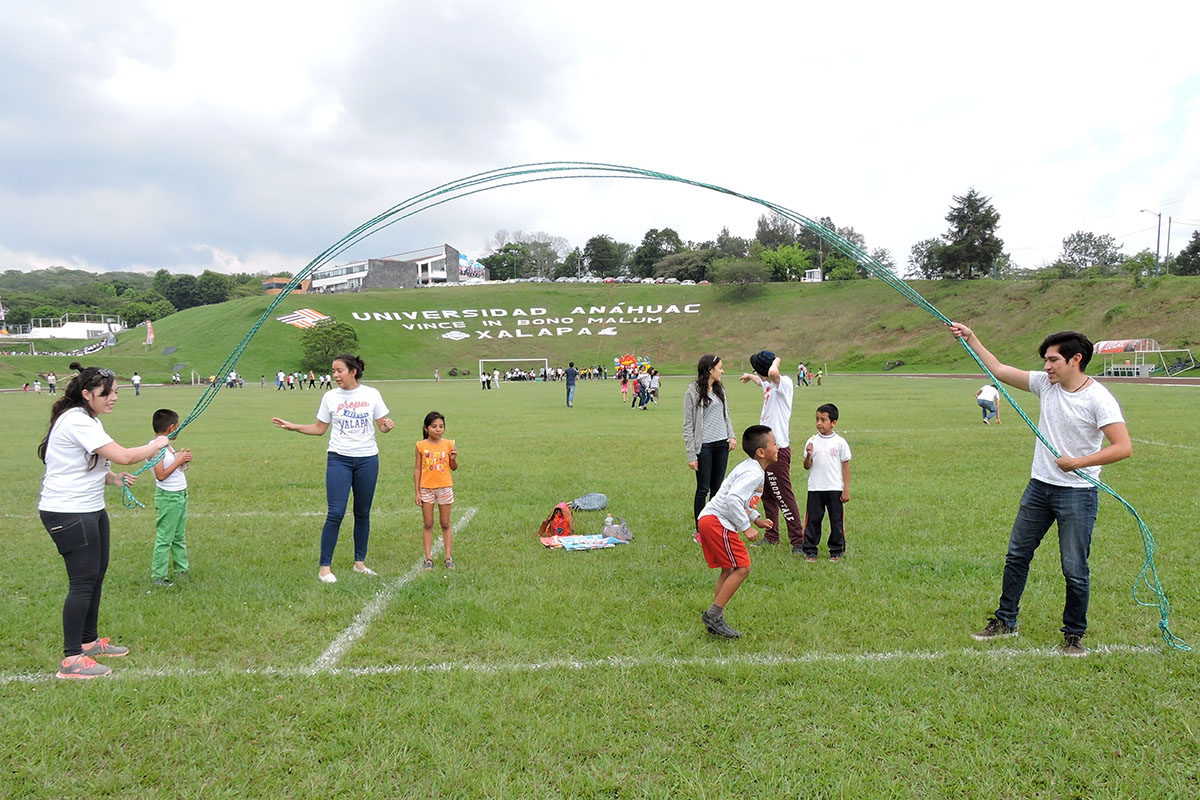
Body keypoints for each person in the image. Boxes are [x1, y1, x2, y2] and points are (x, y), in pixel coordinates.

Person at [949, 324, 1131, 657]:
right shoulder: (1047, 385)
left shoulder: (1098, 398)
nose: (1046, 367)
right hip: (1039, 488)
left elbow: (1123, 447)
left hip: (1077, 493)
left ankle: (1074, 635)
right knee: (1017, 556)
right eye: (1045, 361)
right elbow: (1000, 370)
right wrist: (971, 337)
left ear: (1075, 360)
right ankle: (1006, 622)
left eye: (1052, 360)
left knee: (1074, 568)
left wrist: (1079, 462)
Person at [37, 362, 171, 679]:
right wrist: (157, 443)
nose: (113, 398)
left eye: (115, 392)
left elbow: (86, 464)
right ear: (86, 394)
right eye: (106, 393)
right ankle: (71, 660)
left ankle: (88, 642)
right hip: (68, 511)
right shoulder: (77, 421)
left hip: (89, 508)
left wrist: (112, 479)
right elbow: (123, 453)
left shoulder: (87, 419)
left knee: (95, 576)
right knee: (82, 583)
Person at [272, 354, 395, 584]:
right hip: (339, 459)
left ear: (353, 372)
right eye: (334, 371)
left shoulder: (372, 394)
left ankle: (360, 563)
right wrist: (294, 427)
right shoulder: (330, 396)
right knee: (336, 512)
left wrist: (388, 425)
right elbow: (319, 429)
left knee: (362, 513)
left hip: (368, 459)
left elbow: (382, 425)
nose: (335, 375)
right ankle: (324, 568)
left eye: (339, 371)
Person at [697, 425, 777, 638]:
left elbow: (740, 500)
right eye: (774, 444)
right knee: (743, 568)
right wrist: (746, 527)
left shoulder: (752, 468)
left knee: (729, 569)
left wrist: (756, 519)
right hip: (718, 522)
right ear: (761, 452)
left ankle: (716, 616)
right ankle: (713, 615)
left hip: (709, 520)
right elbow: (732, 499)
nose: (778, 447)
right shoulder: (753, 473)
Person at [740, 351, 803, 551]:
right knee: (766, 493)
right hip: (763, 449)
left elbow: (774, 373)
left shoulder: (783, 383)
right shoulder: (769, 384)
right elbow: (763, 381)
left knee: (783, 495)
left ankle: (798, 540)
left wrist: (775, 361)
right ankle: (772, 535)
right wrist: (752, 377)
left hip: (777, 449)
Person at [683, 355, 736, 536]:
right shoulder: (693, 391)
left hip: (722, 445)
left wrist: (731, 436)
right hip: (704, 447)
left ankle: (714, 526)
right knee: (703, 489)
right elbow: (688, 424)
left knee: (718, 489)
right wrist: (691, 454)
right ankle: (700, 530)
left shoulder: (720, 389)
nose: (722, 371)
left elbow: (726, 414)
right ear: (710, 370)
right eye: (720, 368)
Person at [801, 403, 852, 562]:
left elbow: (846, 466)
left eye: (823, 420)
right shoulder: (812, 440)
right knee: (813, 521)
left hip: (834, 488)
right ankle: (810, 551)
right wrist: (808, 455)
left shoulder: (840, 442)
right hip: (815, 488)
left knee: (836, 521)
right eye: (817, 419)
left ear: (833, 422)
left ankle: (836, 550)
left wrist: (846, 489)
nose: (819, 423)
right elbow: (806, 466)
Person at [150, 408, 193, 587]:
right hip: (169, 497)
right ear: (171, 427)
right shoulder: (155, 448)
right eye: (178, 427)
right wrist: (178, 460)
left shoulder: (167, 445)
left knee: (178, 536)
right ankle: (158, 576)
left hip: (180, 495)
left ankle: (182, 570)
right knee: (165, 538)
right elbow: (160, 475)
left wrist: (182, 459)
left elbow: (173, 466)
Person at [415, 411, 459, 570]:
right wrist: (417, 492)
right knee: (428, 523)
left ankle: (448, 557)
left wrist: (453, 459)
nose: (438, 429)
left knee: (445, 523)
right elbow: (417, 469)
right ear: (426, 428)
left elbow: (453, 467)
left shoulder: (448, 444)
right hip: (426, 488)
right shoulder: (421, 445)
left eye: (441, 426)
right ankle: (428, 558)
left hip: (444, 487)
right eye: (434, 426)